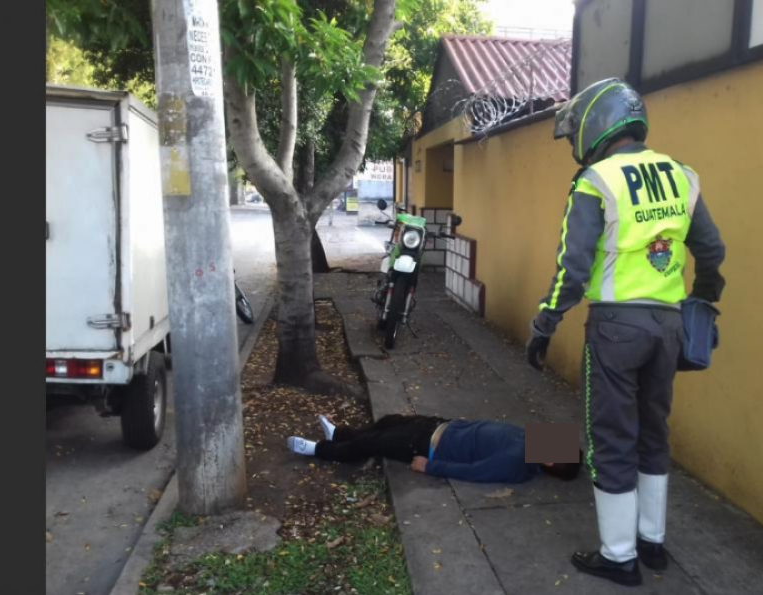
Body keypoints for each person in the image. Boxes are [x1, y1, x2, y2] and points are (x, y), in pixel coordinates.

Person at [526, 78, 726, 588]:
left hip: (617, 328)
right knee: (653, 432)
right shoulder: (682, 176)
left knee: (611, 439)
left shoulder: (596, 180)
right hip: (669, 325)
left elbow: (573, 269)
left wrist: (545, 324)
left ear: (597, 122)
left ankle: (618, 556)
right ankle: (651, 542)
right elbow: (712, 249)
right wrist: (704, 297)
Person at [287, 414, 581, 484]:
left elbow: (476, 472)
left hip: (429, 447)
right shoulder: (530, 440)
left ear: (552, 463)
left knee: (372, 444)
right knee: (387, 422)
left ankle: (320, 450)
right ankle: (339, 433)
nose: (553, 436)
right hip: (440, 425)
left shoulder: (519, 464)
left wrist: (431, 467)